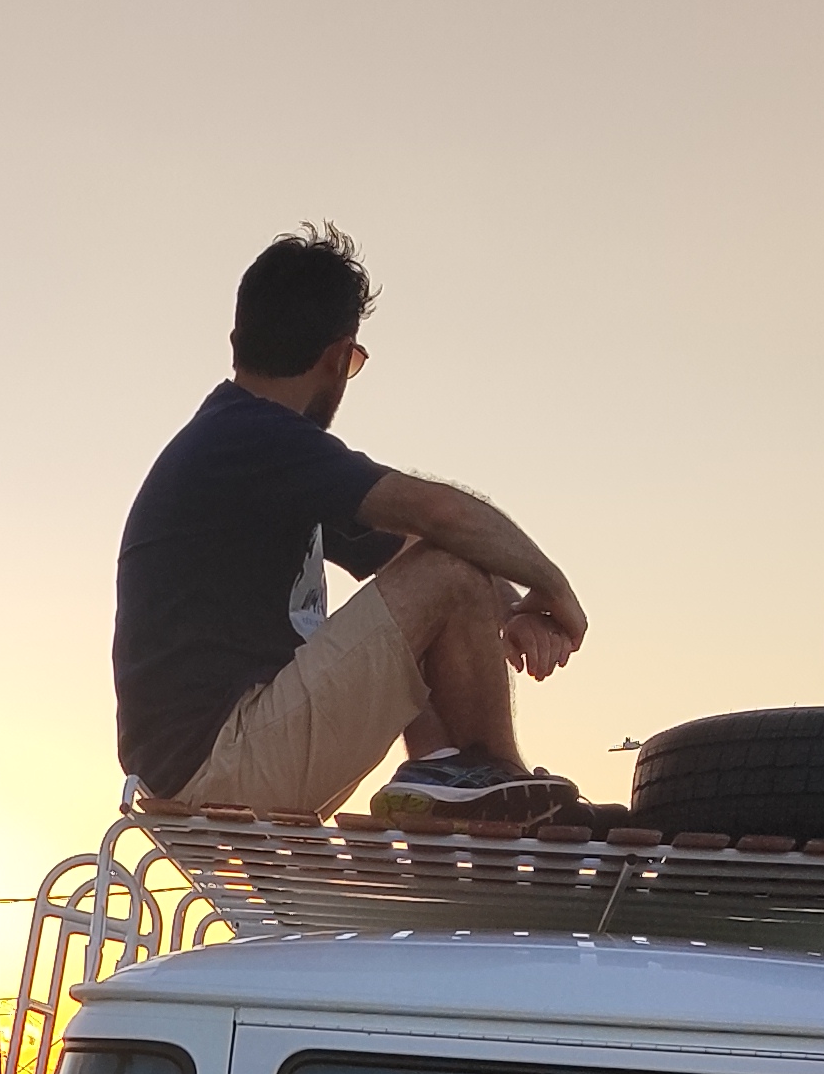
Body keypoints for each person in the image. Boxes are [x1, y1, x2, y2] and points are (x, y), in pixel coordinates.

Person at [112, 225, 592, 828]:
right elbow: (439, 518)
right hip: (226, 762)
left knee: (442, 568)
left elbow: (411, 550)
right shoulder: (254, 438)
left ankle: (448, 773)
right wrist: (555, 590)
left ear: (240, 338)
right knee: (448, 570)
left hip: (216, 761)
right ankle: (497, 788)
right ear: (340, 357)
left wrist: (513, 606)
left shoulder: (240, 450)